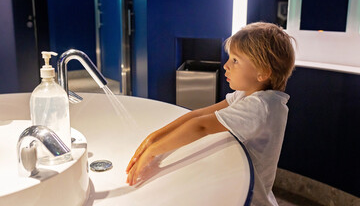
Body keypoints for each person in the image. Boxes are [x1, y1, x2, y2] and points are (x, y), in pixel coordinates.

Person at [126, 22, 295, 206]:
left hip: (251, 199)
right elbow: (197, 116)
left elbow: (201, 126)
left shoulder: (262, 107)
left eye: (235, 60)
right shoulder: (247, 94)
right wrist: (153, 138)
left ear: (263, 72)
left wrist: (152, 152)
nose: (226, 65)